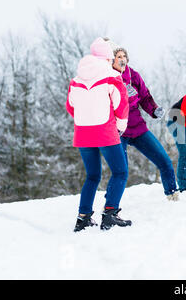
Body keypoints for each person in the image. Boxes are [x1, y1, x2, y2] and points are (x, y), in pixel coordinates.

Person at [66, 37, 132, 232]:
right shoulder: (112, 76)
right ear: (107, 57)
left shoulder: (76, 80)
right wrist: (120, 126)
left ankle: (83, 217)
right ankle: (110, 213)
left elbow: (71, 106)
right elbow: (121, 105)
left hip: (83, 134)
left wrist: (86, 121)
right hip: (105, 131)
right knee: (120, 172)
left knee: (92, 175)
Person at [105, 39, 179, 201]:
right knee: (121, 171)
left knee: (165, 161)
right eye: (118, 56)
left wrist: (154, 109)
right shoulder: (107, 78)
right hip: (118, 131)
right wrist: (126, 97)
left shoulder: (133, 75)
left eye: (124, 56)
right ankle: (110, 205)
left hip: (138, 128)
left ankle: (172, 195)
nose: (122, 59)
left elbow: (145, 97)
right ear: (111, 60)